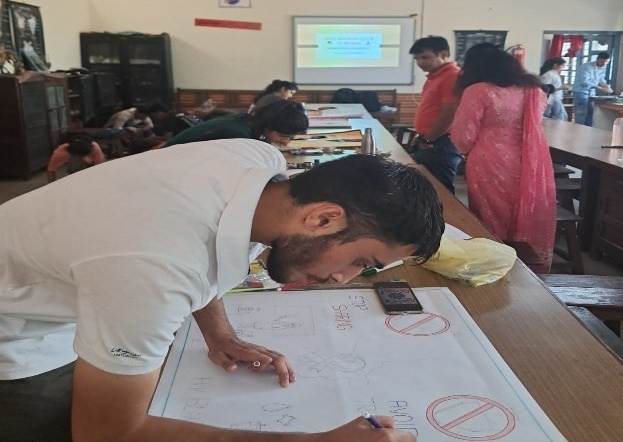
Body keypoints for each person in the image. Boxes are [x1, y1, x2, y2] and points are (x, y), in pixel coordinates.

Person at [0, 138, 443, 442]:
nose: (344, 278)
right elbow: (107, 434)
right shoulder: (155, 268)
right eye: (360, 261)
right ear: (323, 218)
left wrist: (220, 334)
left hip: (76, 279)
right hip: (17, 333)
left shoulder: (258, 162)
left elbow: (201, 237)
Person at [451, 43, 556, 273]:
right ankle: (525, 266)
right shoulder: (533, 90)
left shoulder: (478, 90)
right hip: (530, 160)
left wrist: (467, 150)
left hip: (489, 161)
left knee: (491, 216)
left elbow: (463, 136)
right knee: (523, 209)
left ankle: (495, 264)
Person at [408, 36, 463, 193]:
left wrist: (428, 138)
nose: (420, 63)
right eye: (416, 58)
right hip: (431, 140)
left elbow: (449, 114)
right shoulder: (435, 76)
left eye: (425, 57)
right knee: (427, 187)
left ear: (443, 54)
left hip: (441, 142)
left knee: (440, 190)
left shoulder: (452, 76)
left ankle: (445, 211)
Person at [165, 99, 308, 147]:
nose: (286, 142)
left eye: (291, 138)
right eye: (282, 136)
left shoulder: (246, 121)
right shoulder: (237, 135)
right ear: (267, 125)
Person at [571, 52, 613, 126]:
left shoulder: (603, 67)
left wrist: (607, 87)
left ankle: (588, 129)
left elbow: (601, 79)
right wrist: (600, 88)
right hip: (581, 92)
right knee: (581, 113)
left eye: (606, 62)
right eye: (602, 61)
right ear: (597, 59)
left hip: (592, 92)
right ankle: (579, 128)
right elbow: (585, 82)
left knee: (590, 112)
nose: (604, 64)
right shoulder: (586, 67)